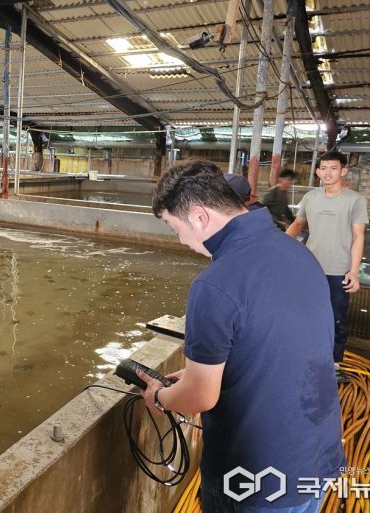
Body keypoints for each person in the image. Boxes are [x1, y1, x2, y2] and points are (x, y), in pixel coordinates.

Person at [139, 159, 344, 513]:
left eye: (175, 228)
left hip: (256, 480)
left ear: (200, 217)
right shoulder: (297, 253)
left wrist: (161, 397)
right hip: (316, 460)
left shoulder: (215, 285)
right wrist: (199, 371)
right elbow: (279, 346)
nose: (182, 240)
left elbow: (201, 397)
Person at [286, 151, 368, 369]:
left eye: (333, 168)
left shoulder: (355, 200)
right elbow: (297, 225)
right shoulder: (311, 197)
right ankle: (304, 352)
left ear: (343, 171)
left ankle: (333, 362)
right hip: (310, 267)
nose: (328, 173)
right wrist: (278, 247)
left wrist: (354, 271)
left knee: (336, 318)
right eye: (323, 168)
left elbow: (359, 236)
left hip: (338, 270)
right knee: (305, 311)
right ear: (317, 171)